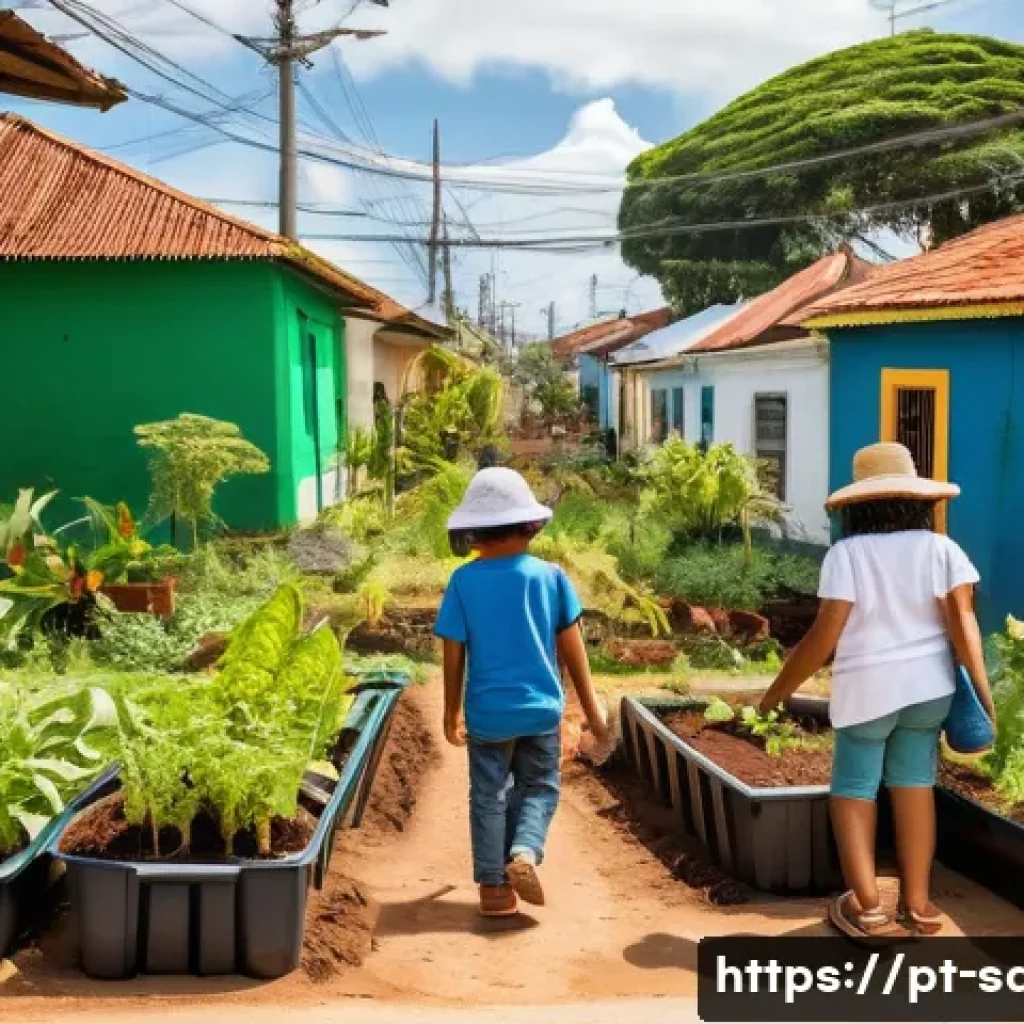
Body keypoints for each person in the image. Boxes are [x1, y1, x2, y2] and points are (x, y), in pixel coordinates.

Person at [757, 443, 996, 944]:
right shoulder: (943, 550)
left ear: (858, 505)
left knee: (854, 791)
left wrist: (778, 692)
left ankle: (867, 908)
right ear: (917, 501)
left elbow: (824, 635)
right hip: (929, 689)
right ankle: (918, 903)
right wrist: (982, 689)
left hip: (867, 692)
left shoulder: (847, 554)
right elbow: (964, 623)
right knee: (914, 787)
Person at [435, 467, 615, 918]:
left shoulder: (463, 582)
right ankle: (525, 852)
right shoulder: (550, 577)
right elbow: (574, 653)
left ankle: (494, 891)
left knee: (488, 795)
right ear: (531, 525)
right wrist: (593, 716)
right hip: (539, 712)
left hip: (488, 714)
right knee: (538, 788)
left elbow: (452, 653)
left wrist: (449, 712)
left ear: (473, 533)